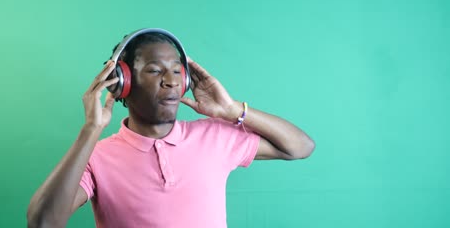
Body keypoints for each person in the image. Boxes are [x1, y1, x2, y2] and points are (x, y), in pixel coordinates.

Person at [27, 29, 315, 228]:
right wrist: (90, 130)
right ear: (122, 82)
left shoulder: (213, 135)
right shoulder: (96, 156)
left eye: (177, 71)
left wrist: (233, 110)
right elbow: (43, 222)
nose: (172, 81)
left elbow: (300, 146)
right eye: (155, 70)